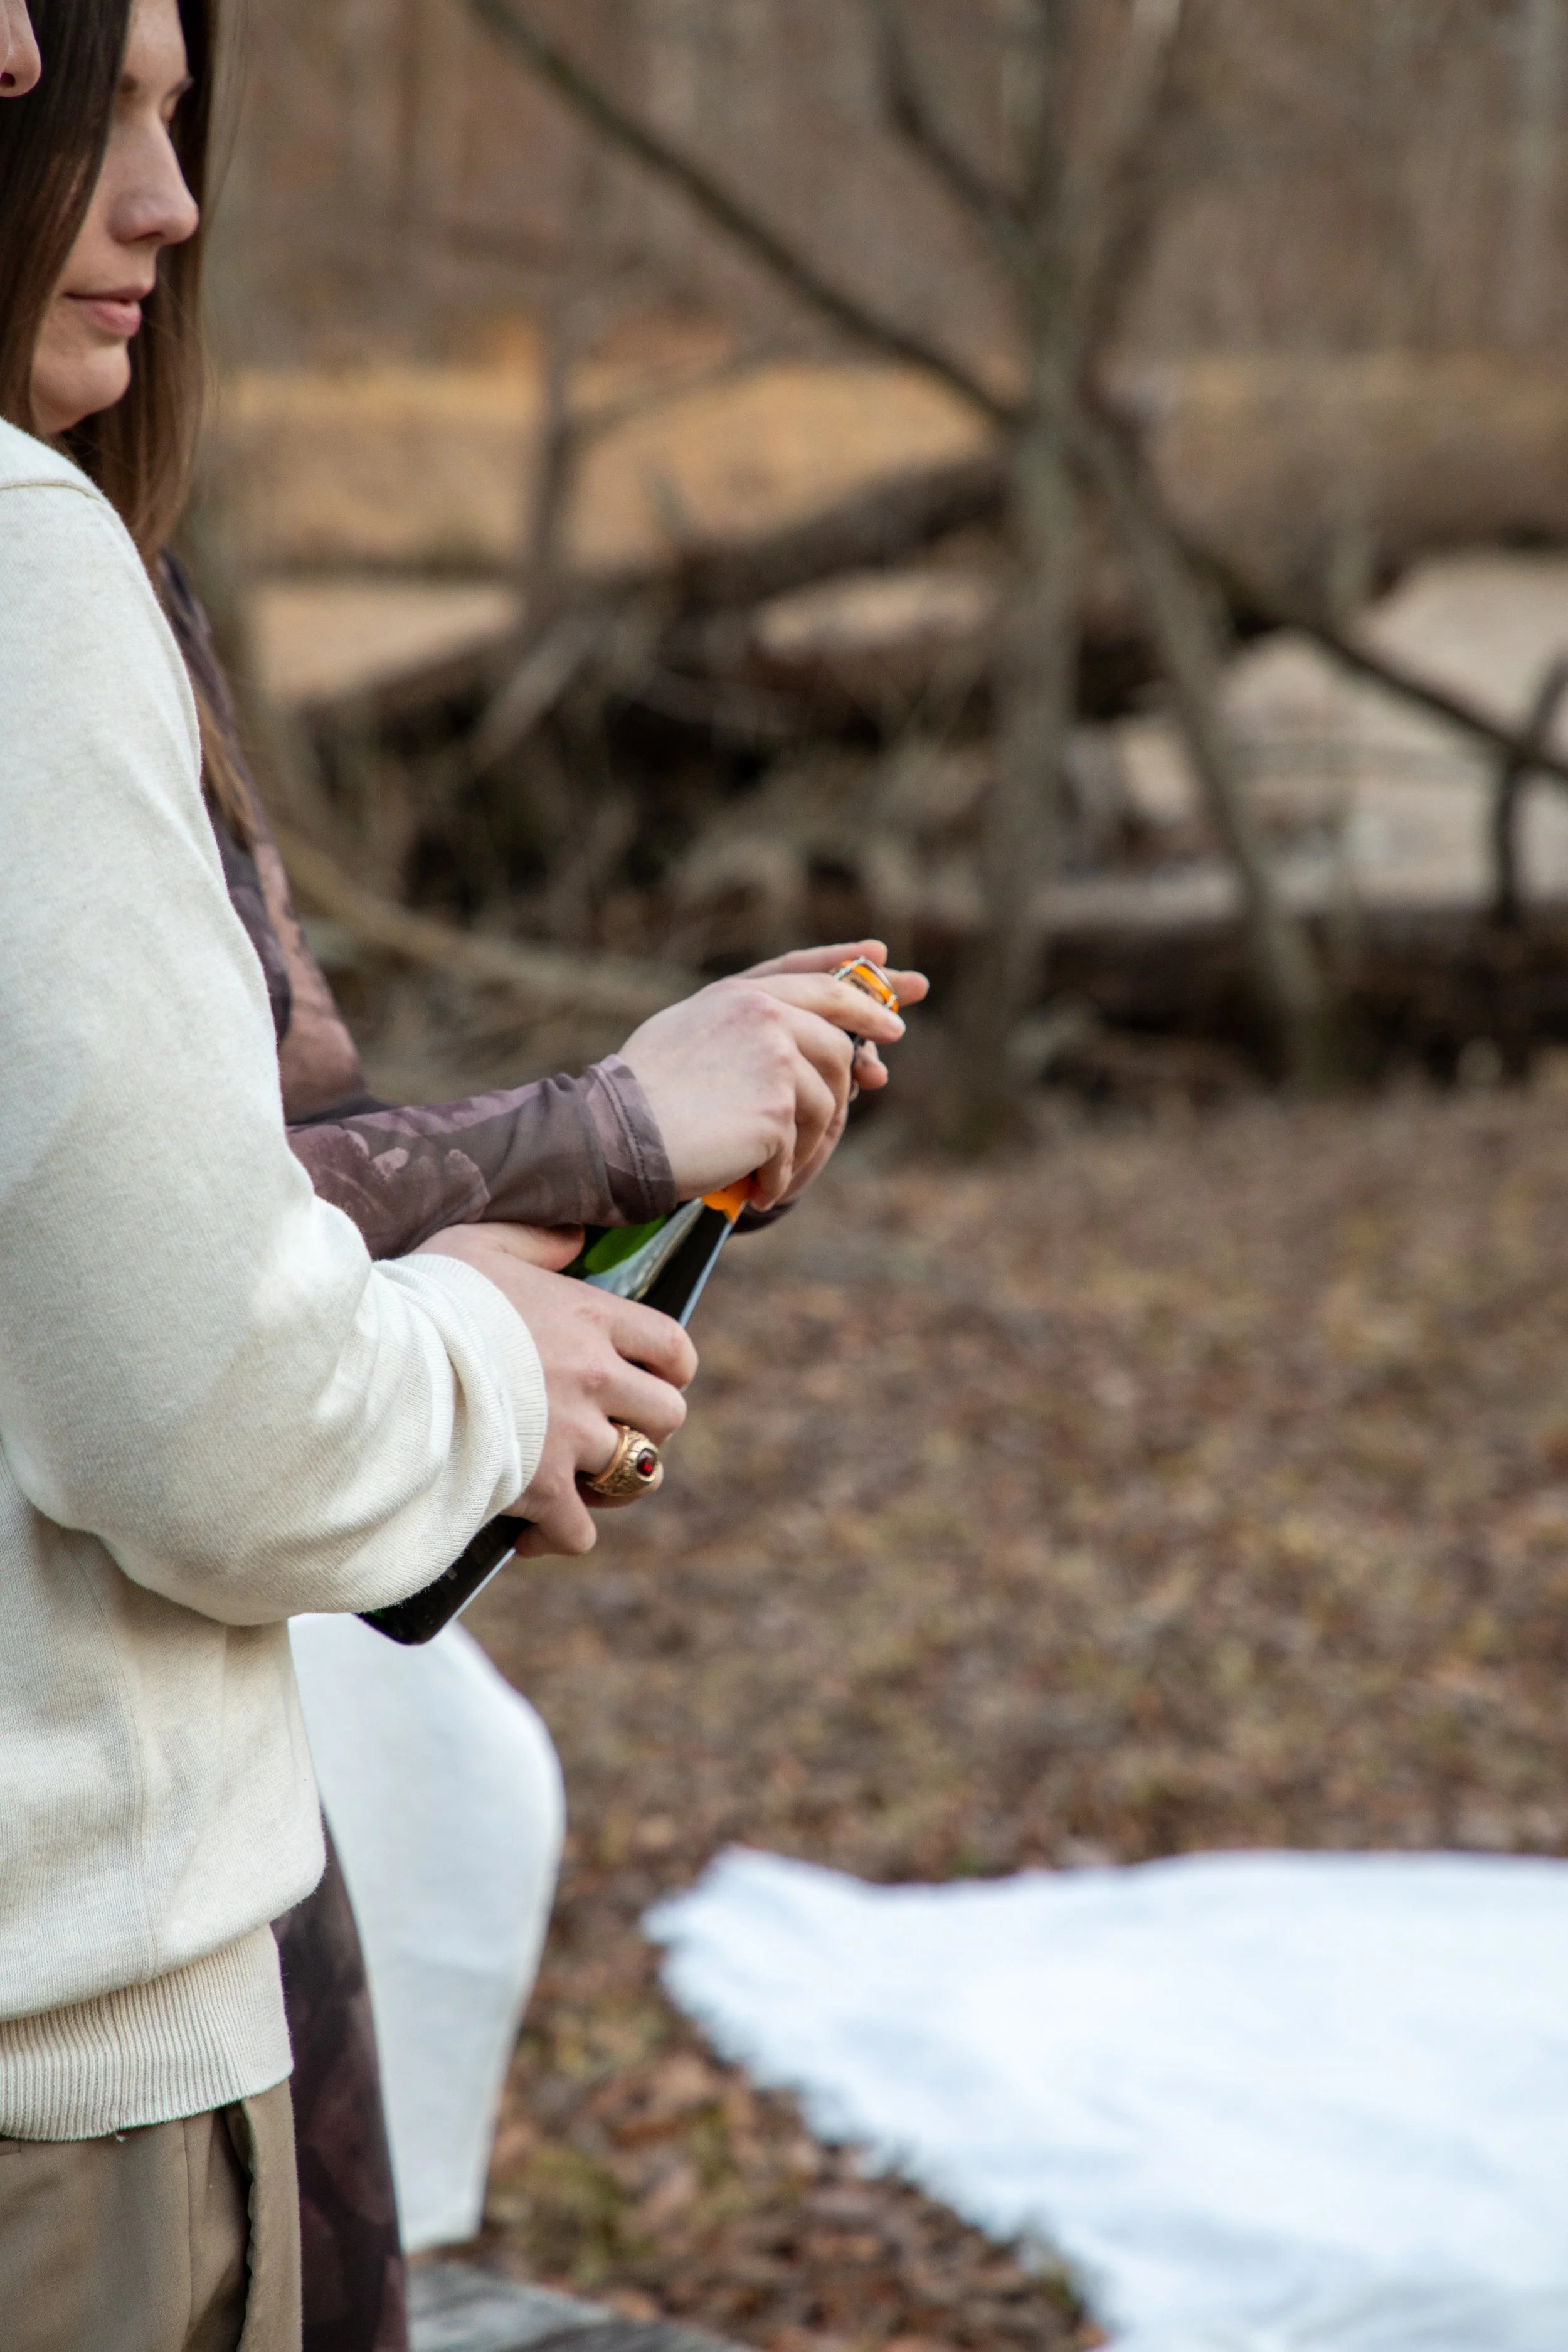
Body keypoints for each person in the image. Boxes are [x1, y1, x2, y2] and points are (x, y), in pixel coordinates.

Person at [0, 4, 922, 2348]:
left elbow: (163, 1193)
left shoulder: (95, 568)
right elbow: (197, 1388)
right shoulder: (22, 581)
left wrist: (535, 1238)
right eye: (89, 109)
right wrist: (576, 1204)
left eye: (180, 121)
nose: (171, 204)